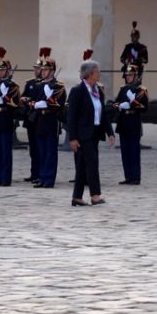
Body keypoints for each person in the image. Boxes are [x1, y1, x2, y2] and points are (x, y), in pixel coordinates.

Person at [66, 59, 115, 206]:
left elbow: (103, 114)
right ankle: (95, 195)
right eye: (97, 72)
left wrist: (110, 132)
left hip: (94, 133)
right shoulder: (77, 91)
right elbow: (71, 117)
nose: (99, 74)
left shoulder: (98, 90)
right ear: (90, 74)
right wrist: (72, 138)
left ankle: (77, 197)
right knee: (92, 163)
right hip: (82, 134)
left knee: (82, 165)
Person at [26, 49, 66, 188]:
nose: (42, 72)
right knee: (41, 151)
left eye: (45, 70)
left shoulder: (59, 86)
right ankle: (42, 177)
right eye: (42, 70)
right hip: (39, 122)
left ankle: (49, 179)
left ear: (52, 71)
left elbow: (58, 104)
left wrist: (43, 103)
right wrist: (36, 104)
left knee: (50, 152)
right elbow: (33, 101)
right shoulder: (39, 85)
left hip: (51, 121)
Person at [0, 47, 21, 187]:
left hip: (5, 119)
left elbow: (15, 103)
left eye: (1, 70)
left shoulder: (12, 86)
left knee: (5, 151)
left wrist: (4, 98)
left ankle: (5, 178)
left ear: (7, 71)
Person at [113, 62, 148, 185]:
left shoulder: (141, 90)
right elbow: (116, 103)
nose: (128, 77)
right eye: (127, 75)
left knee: (134, 151)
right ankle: (128, 176)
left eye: (130, 75)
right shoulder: (123, 89)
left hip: (133, 121)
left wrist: (133, 103)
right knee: (125, 151)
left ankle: (135, 177)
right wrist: (119, 105)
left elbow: (144, 107)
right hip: (123, 122)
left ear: (136, 76)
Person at [20, 49, 45, 184]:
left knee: (40, 148)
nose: (36, 70)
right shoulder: (30, 83)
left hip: (39, 119)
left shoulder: (44, 84)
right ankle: (34, 173)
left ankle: (41, 174)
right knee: (33, 149)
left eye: (38, 68)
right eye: (35, 68)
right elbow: (23, 96)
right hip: (31, 118)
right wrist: (25, 98)